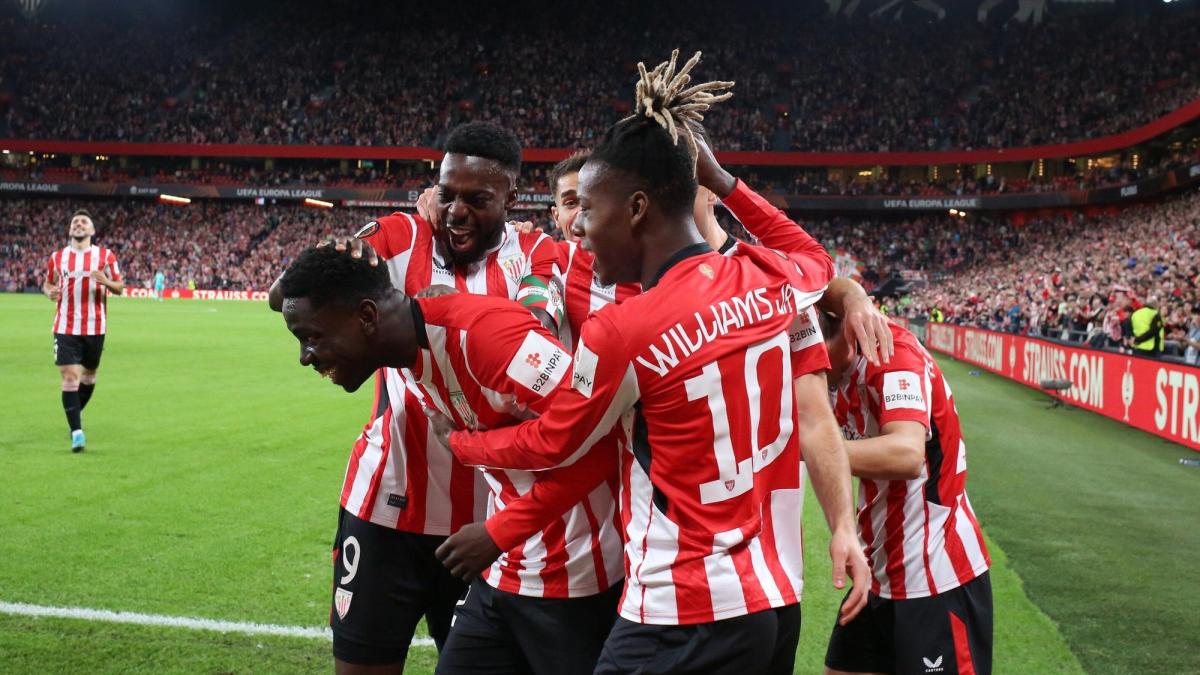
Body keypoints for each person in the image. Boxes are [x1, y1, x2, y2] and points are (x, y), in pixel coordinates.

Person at [432, 51, 868, 675]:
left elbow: (556, 441)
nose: (578, 227)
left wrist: (467, 445)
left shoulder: (625, 329)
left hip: (676, 608)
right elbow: (815, 259)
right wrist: (724, 182)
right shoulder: (765, 280)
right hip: (764, 600)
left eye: (589, 208)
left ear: (637, 209)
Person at [269, 121, 563, 674]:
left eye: (478, 200)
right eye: (447, 194)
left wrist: (444, 305)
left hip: (484, 521)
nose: (456, 212)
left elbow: (531, 330)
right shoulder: (403, 236)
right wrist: (349, 246)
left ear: (512, 199)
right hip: (385, 503)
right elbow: (289, 294)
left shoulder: (536, 249)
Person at [278, 246, 621, 674]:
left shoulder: (487, 335)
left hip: (575, 576)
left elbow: (603, 444)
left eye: (312, 337)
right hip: (503, 573)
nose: (305, 356)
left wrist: (492, 516)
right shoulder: (403, 354)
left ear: (367, 317)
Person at [819, 312, 992, 675]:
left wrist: (809, 449)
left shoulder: (890, 352)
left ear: (841, 337)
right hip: (878, 573)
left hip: (935, 577)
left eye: (810, 353)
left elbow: (907, 454)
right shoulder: (836, 372)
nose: (805, 369)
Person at [42, 208, 124, 453]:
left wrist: (106, 282)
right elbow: (48, 283)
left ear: (92, 230)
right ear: (69, 230)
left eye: (84, 222)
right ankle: (77, 432)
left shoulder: (106, 256)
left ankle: (73, 417)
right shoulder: (57, 257)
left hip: (95, 327)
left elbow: (119, 287)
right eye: (75, 221)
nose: (78, 224)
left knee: (88, 378)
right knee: (69, 377)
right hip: (65, 326)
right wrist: (49, 292)